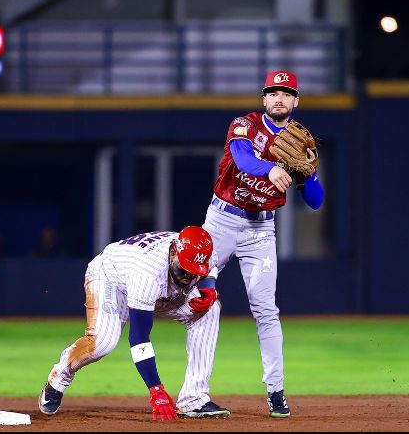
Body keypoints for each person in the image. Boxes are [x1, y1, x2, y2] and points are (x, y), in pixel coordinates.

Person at [201, 70, 324, 418]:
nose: (279, 98)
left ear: (296, 101)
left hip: (260, 230)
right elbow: (242, 159)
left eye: (286, 93)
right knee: (198, 300)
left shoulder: (301, 143)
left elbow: (315, 202)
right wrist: (270, 170)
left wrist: (310, 172)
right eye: (273, 92)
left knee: (266, 310)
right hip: (222, 220)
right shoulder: (245, 125)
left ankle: (276, 391)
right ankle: (195, 393)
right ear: (264, 98)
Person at [37, 225, 229, 421]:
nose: (188, 277)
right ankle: (60, 375)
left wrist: (208, 286)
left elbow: (210, 268)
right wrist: (156, 390)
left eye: (194, 271)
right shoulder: (148, 271)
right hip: (111, 279)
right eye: (185, 268)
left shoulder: (203, 250)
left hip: (159, 286)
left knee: (210, 310)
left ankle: (194, 399)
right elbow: (139, 337)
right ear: (173, 251)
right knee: (102, 343)